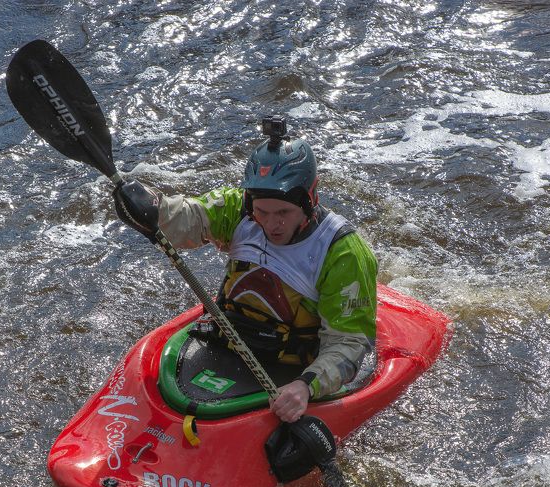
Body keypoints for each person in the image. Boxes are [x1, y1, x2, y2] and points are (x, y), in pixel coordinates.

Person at [113, 117, 377, 424]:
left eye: (283, 213)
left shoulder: (343, 251)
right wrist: (151, 208)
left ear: (310, 199)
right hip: (231, 342)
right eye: (262, 211)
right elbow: (186, 219)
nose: (271, 224)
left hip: (294, 369)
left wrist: (307, 386)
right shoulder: (239, 210)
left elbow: (348, 343)